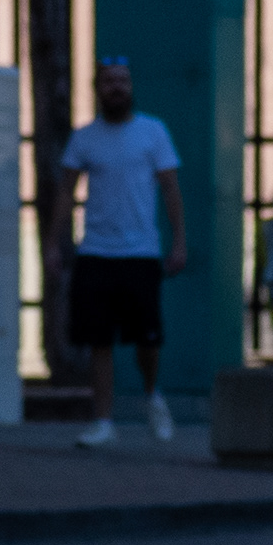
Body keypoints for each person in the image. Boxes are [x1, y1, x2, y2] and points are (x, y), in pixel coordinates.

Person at [61, 56, 185, 448]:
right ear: (98, 88)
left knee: (147, 339)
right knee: (99, 339)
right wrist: (52, 244)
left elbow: (170, 189)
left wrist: (178, 240)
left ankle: (152, 396)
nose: (117, 87)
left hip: (141, 252)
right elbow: (66, 193)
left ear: (131, 87)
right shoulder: (84, 138)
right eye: (110, 81)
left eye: (123, 81)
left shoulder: (153, 133)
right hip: (96, 250)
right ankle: (103, 420)